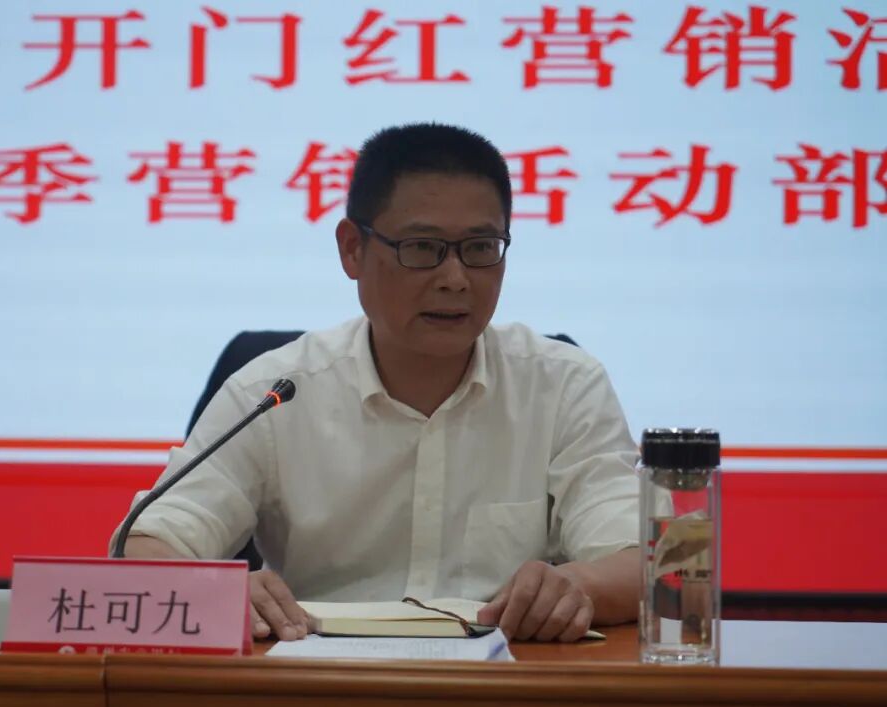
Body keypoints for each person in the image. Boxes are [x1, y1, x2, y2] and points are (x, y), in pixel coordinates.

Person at [115, 122, 640, 644]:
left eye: (481, 247)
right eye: (422, 247)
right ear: (352, 249)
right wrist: (213, 591)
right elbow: (146, 546)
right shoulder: (274, 392)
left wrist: (579, 586)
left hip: (507, 680)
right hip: (318, 679)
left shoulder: (564, 385)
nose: (455, 278)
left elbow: (642, 561)